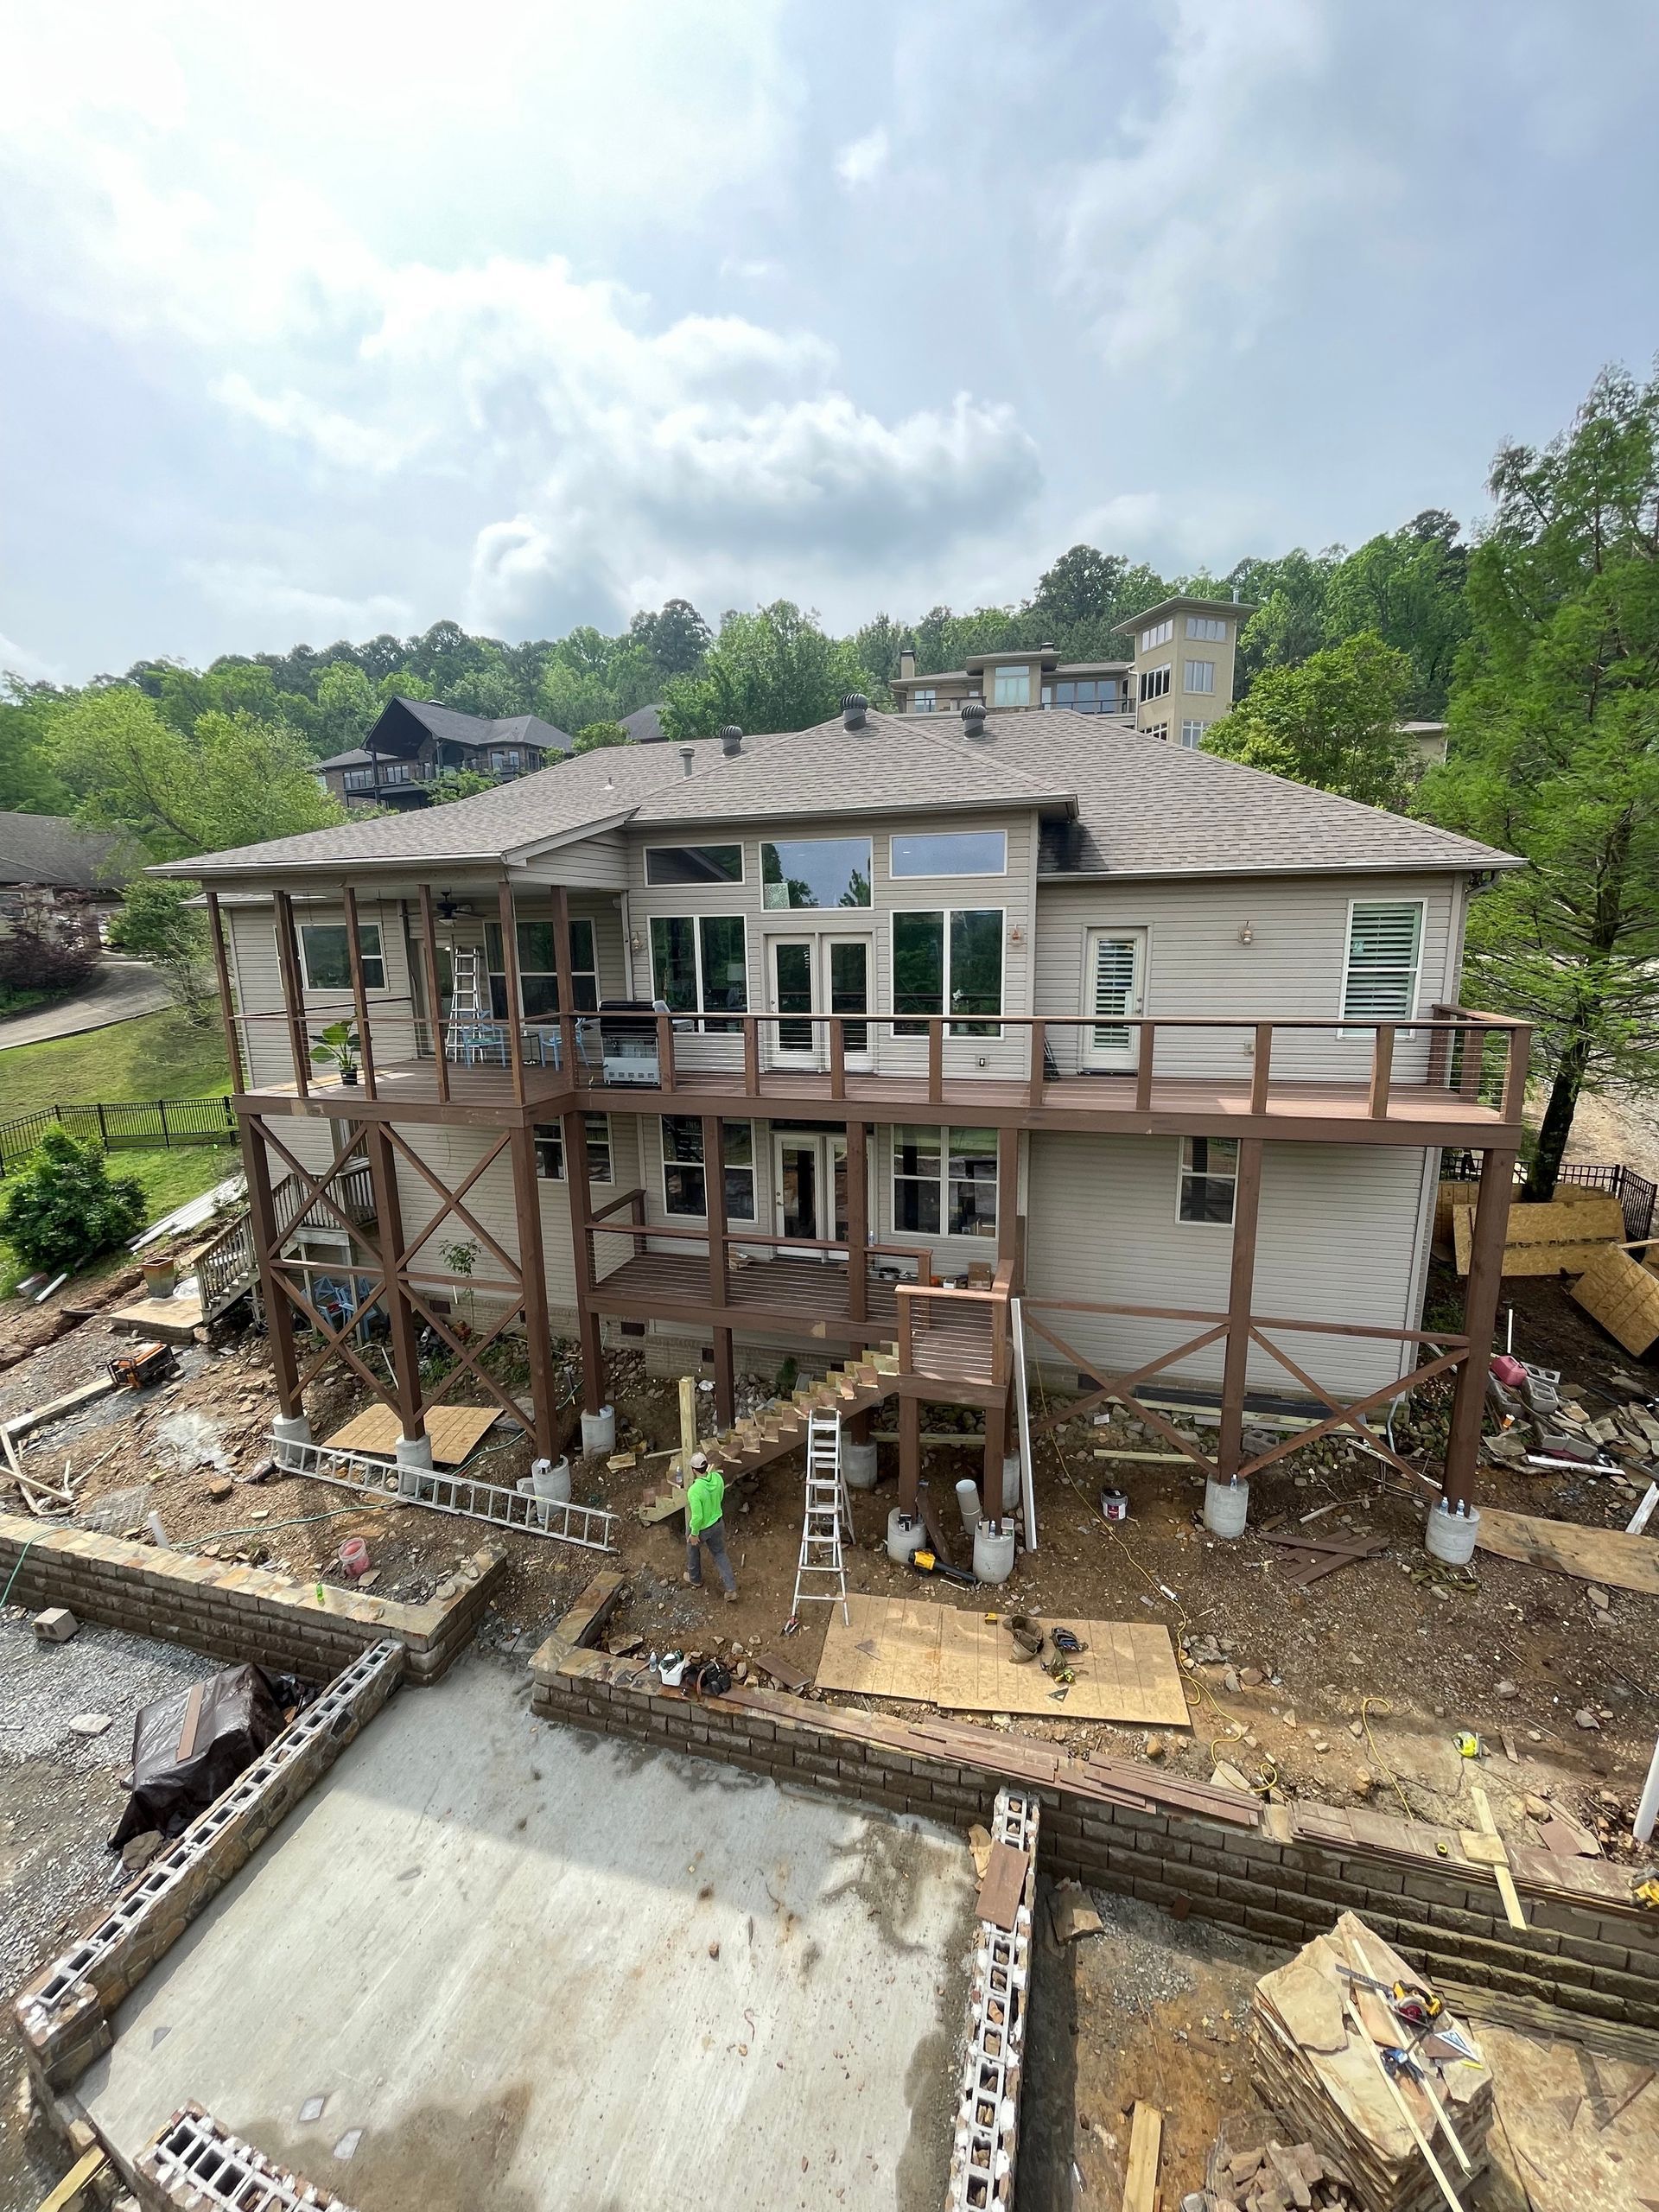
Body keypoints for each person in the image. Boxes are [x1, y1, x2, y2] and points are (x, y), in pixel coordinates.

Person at [683, 1452, 737, 1603]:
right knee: (720, 1554)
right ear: (706, 1466)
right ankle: (731, 1588)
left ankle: (695, 1579)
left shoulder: (694, 1490)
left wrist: (694, 1533)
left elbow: (697, 1517)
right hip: (718, 1523)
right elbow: (719, 1497)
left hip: (702, 1528)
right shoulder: (717, 1478)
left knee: (693, 1550)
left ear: (694, 1470)